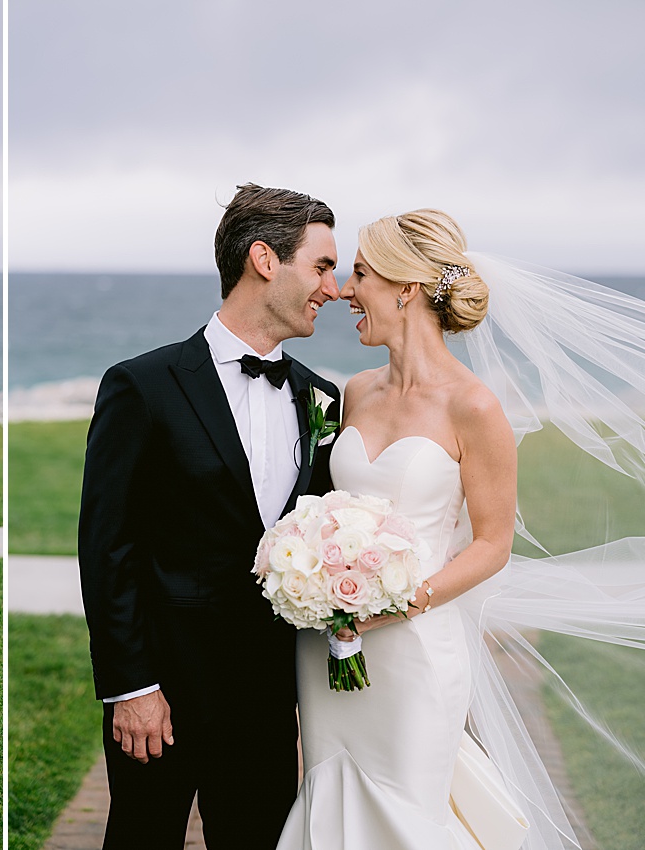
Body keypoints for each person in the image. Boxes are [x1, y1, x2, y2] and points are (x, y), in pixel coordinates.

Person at [278, 209, 645, 849]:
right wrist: (314, 573)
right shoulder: (356, 392)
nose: (343, 292)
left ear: (405, 288)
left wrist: (395, 603)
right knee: (331, 794)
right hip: (331, 645)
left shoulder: (474, 407)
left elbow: (491, 545)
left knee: (408, 813)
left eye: (358, 274)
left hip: (414, 648)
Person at [79, 184, 342, 849]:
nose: (333, 288)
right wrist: (130, 687)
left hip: (266, 698)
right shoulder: (142, 385)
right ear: (263, 259)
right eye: (321, 266)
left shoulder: (321, 399)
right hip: (161, 693)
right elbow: (108, 547)